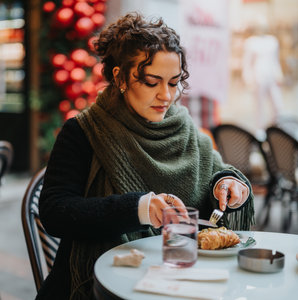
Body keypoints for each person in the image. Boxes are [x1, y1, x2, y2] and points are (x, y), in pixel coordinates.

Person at [38, 12, 255, 300]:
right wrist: (140, 208)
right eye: (152, 82)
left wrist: (226, 184)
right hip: (99, 286)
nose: (166, 95)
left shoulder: (186, 130)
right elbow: (55, 213)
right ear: (121, 77)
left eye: (174, 82)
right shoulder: (84, 132)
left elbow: (217, 177)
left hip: (177, 281)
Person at [242, 26, 284, 133]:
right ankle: (259, 130)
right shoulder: (251, 43)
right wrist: (248, 79)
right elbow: (247, 63)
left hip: (271, 77)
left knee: (277, 105)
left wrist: (279, 74)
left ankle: (276, 128)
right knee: (259, 106)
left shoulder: (272, 42)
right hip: (258, 77)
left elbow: (275, 60)